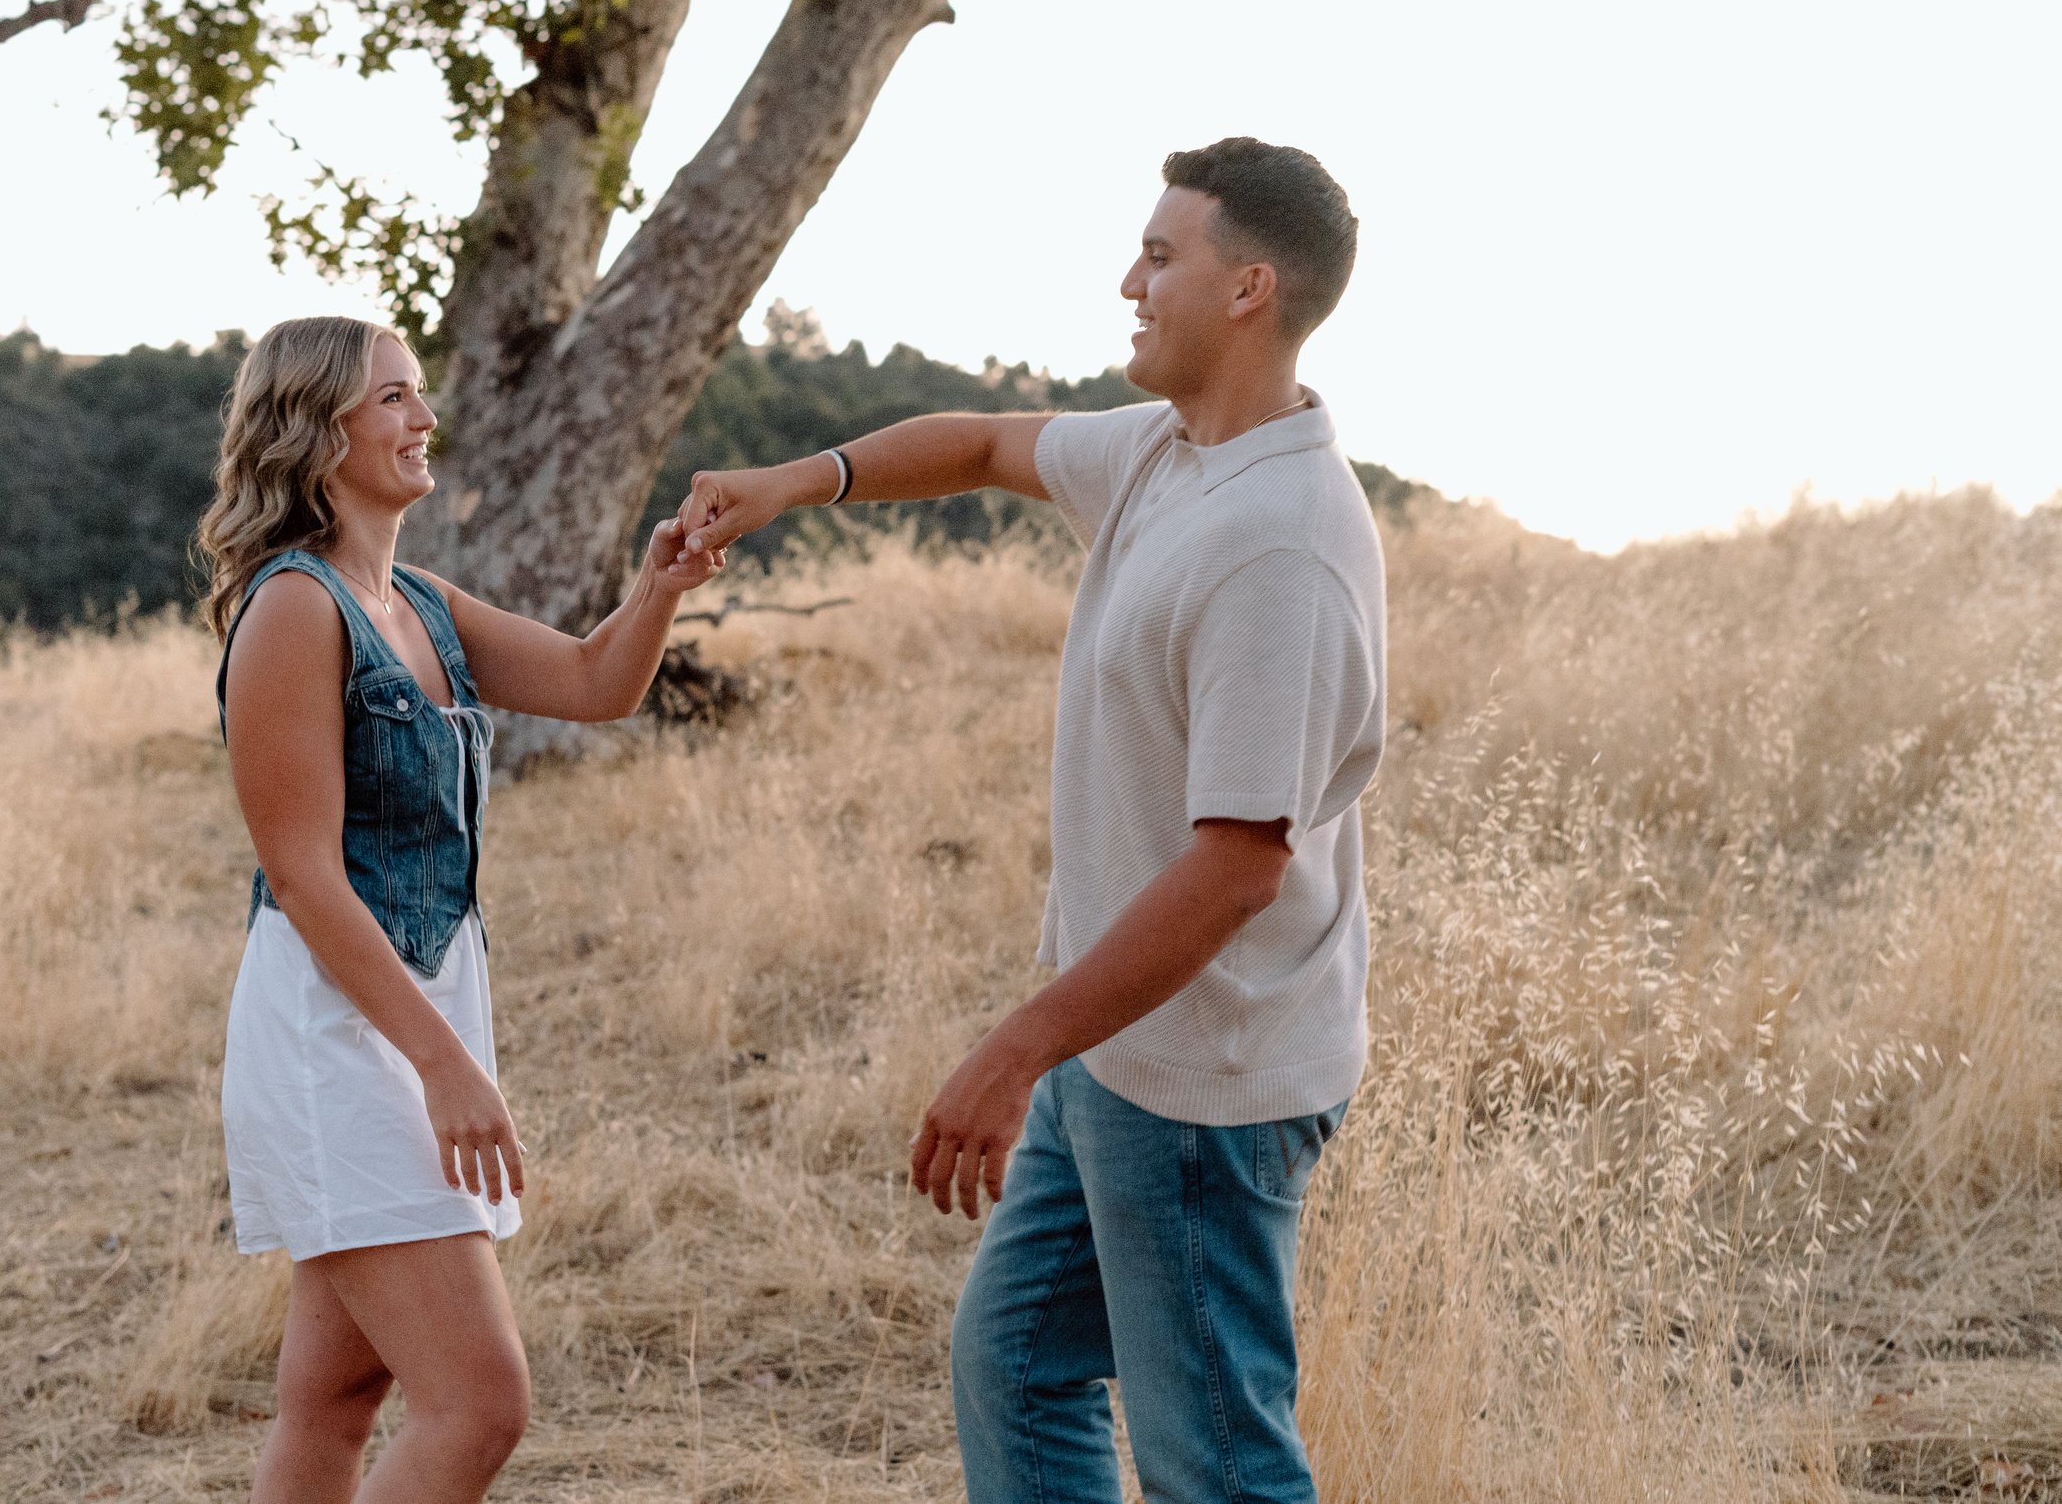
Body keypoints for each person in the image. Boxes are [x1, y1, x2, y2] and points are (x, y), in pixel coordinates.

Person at [678, 137, 1385, 1504]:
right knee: (1020, 1365)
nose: (1131, 279)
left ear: (1247, 289)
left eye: (1161, 255)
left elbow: (1240, 865)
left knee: (1220, 1466)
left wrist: (1017, 1044)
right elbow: (991, 443)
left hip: (1204, 1084)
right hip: (1114, 1045)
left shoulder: (1282, 539)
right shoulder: (1172, 455)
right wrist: (795, 480)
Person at [198, 315, 723, 1504]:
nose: (423, 416)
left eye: (417, 392)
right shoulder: (294, 608)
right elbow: (302, 872)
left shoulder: (418, 600)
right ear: (314, 426)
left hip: (415, 1014)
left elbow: (595, 683)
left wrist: (658, 584)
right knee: (479, 1402)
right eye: (393, 397)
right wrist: (442, 1065)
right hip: (341, 1039)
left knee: (332, 1400)